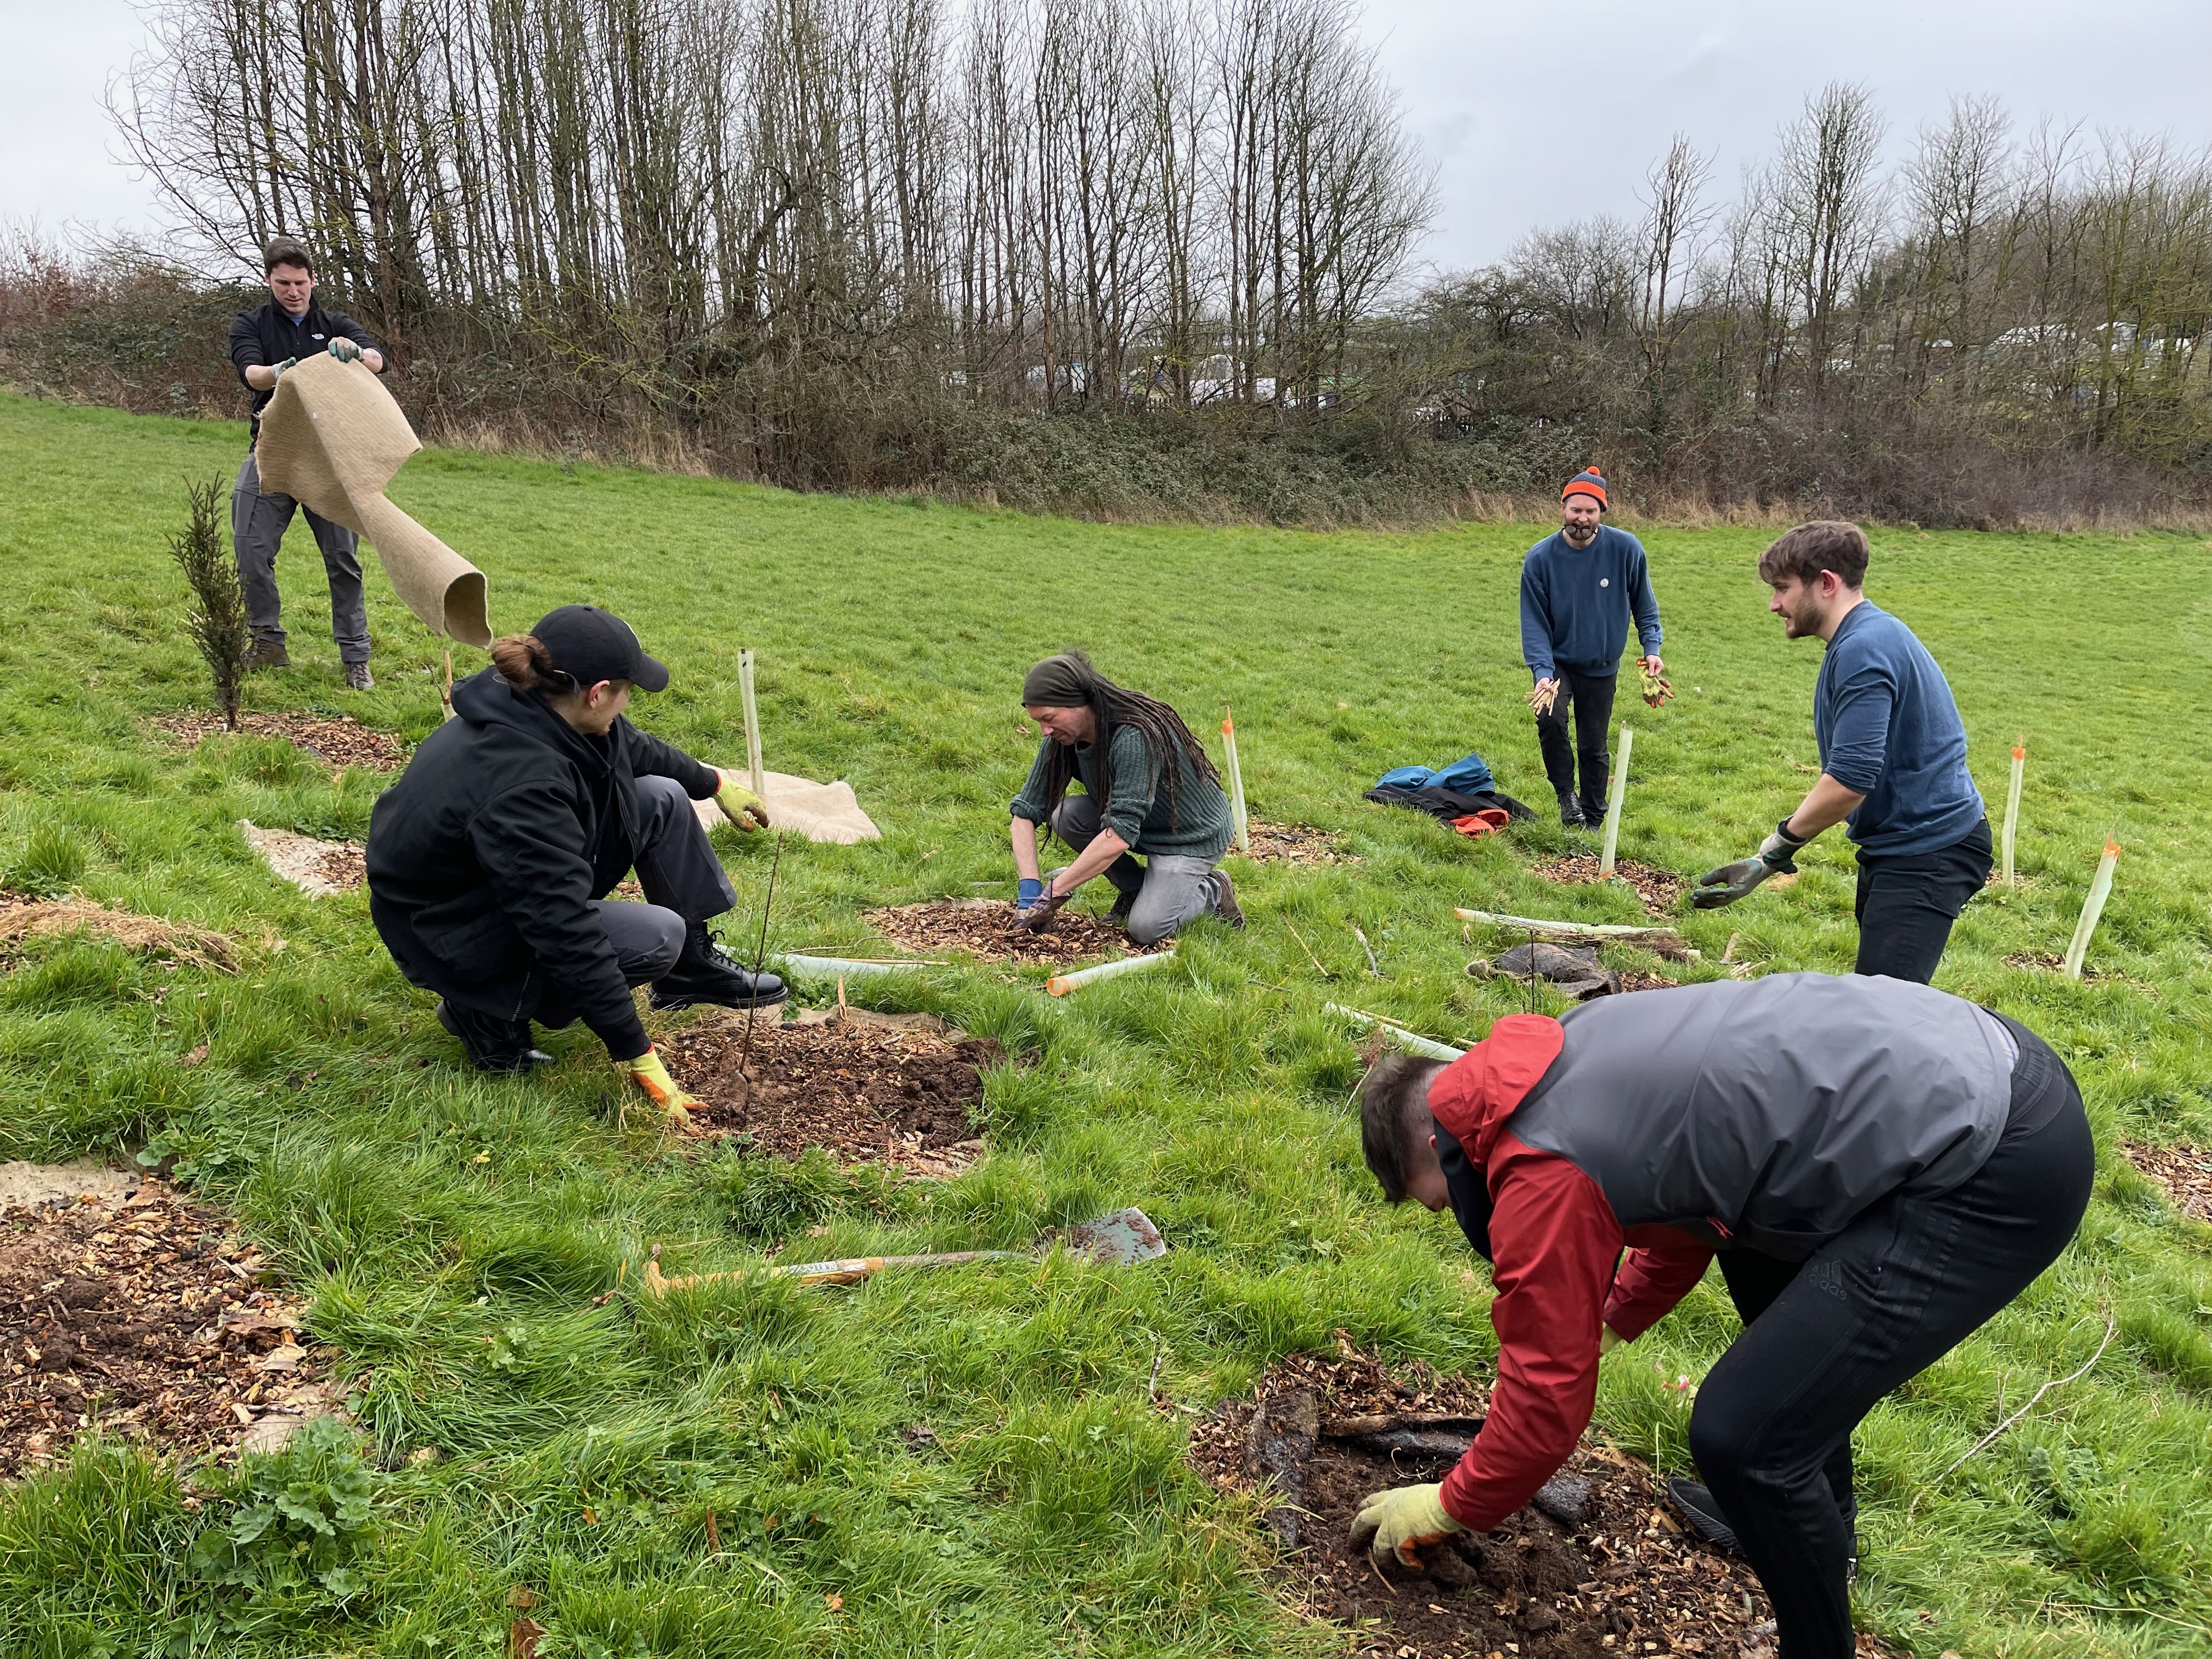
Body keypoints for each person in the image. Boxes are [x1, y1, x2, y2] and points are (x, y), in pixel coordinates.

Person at [1352, 975, 2092, 1659]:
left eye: (1438, 1199)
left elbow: (1546, 1402)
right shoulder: (1559, 1053)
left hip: (1991, 1164)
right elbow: (1692, 1203)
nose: (1453, 1211)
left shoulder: (1539, 1162)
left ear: (1433, 1144)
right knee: (1758, 1273)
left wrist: (1450, 1505)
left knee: (1742, 1437)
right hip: (1982, 1060)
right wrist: (1611, 1317)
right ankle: (1806, 1525)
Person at [365, 605, 782, 1115]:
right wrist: (638, 1052)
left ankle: (691, 972)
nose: (629, 702)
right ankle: (485, 1013)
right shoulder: (522, 785)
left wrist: (714, 784)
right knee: (656, 936)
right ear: (597, 692)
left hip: (489, 883)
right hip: (450, 927)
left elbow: (635, 747)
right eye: (628, 689)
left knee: (662, 796)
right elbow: (564, 929)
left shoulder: (535, 700)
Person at [1692, 521, 1990, 983]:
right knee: (1877, 999)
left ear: (1826, 584)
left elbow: (1850, 780)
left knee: (1883, 1010)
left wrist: (1772, 853)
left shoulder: (1864, 648)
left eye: (1782, 589)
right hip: (1900, 845)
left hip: (1929, 849)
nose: (1774, 604)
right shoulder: (1865, 636)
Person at [227, 236, 387, 689]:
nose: (293, 291)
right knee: (251, 550)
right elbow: (250, 373)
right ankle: (267, 643)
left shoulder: (335, 322)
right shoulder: (250, 324)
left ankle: (356, 657)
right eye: (283, 283)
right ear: (269, 281)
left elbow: (378, 360)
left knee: (343, 560)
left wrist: (354, 352)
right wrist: (279, 372)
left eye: (300, 282)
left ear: (313, 280)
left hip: (330, 460)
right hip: (272, 455)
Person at [1009, 652, 1243, 944]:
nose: (1045, 731)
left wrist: (1053, 895)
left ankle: (1214, 890)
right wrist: (1029, 892)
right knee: (1066, 816)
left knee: (1147, 929)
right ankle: (1136, 889)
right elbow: (1024, 815)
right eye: (1039, 722)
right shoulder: (1062, 739)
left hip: (1188, 834)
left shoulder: (1133, 736)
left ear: (1080, 703)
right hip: (1140, 824)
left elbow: (1118, 836)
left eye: (1050, 718)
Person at [1519, 468, 1664, 827]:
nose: (1582, 518)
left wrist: (1652, 650)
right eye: (1575, 510)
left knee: (1592, 745)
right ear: (1563, 508)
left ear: (1602, 512)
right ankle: (1566, 796)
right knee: (1550, 719)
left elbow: (1644, 606)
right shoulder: (1540, 559)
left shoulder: (1625, 549)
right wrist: (1541, 674)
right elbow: (1534, 623)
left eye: (1590, 511)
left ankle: (1594, 816)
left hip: (1602, 665)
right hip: (1557, 664)